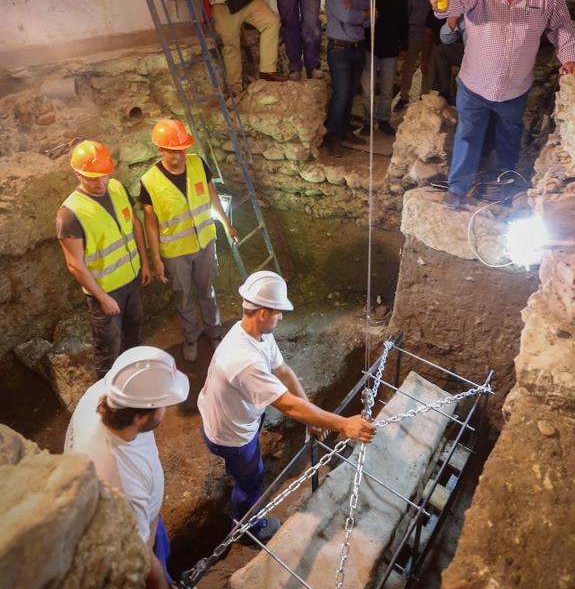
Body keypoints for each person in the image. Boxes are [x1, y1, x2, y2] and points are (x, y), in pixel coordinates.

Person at [197, 271, 376, 543]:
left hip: (237, 415)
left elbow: (284, 371)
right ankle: (246, 528)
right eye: (278, 312)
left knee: (249, 466)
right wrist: (344, 424)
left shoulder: (257, 335)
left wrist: (310, 417)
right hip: (230, 433)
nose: (281, 317)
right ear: (263, 313)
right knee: (251, 478)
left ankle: (237, 481)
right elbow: (287, 405)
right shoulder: (242, 359)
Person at [428, 0, 575, 210]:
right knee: (467, 136)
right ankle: (458, 189)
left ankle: (504, 187)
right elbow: (455, 2)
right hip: (474, 84)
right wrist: (441, 0)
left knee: (509, 138)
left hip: (514, 88)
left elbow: (562, 26)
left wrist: (570, 56)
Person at [65, 346, 188, 589]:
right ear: (139, 417)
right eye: (162, 404)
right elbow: (140, 559)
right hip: (133, 540)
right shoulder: (119, 479)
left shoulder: (105, 394)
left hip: (145, 519)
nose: (166, 409)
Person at [140, 119, 239, 363]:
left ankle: (214, 333)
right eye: (174, 151)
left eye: (183, 149)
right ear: (161, 150)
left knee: (207, 291)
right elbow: (150, 223)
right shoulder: (149, 182)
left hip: (205, 243)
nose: (181, 155)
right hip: (175, 252)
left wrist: (227, 224)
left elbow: (212, 196)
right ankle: (191, 337)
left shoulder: (198, 164)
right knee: (183, 296)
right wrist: (155, 258)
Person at [57, 140, 151, 380]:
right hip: (106, 293)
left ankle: (135, 383)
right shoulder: (70, 213)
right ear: (77, 174)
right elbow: (74, 264)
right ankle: (108, 404)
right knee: (108, 351)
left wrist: (145, 262)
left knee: (135, 335)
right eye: (92, 178)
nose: (100, 183)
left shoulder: (118, 188)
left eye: (104, 176)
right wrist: (102, 298)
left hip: (131, 280)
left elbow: (135, 224)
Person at [324, 0, 371, 157]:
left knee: (352, 93)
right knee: (341, 94)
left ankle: (344, 131)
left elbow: (371, 20)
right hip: (339, 49)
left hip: (357, 48)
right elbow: (346, 16)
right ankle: (333, 138)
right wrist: (362, 14)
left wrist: (358, 14)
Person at [360, 0, 408, 137]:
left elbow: (404, 22)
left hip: (390, 50)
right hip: (369, 48)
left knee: (387, 89)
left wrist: (404, 46)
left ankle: (384, 120)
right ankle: (367, 121)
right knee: (367, 90)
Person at [394, 0, 436, 112]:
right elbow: (407, 10)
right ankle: (404, 96)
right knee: (408, 67)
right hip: (413, 32)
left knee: (428, 67)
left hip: (431, 34)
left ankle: (423, 99)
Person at [430, 0, 475, 104]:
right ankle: (443, 96)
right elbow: (445, 39)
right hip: (467, 52)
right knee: (440, 51)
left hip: (482, 57)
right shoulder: (456, 4)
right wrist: (452, 21)